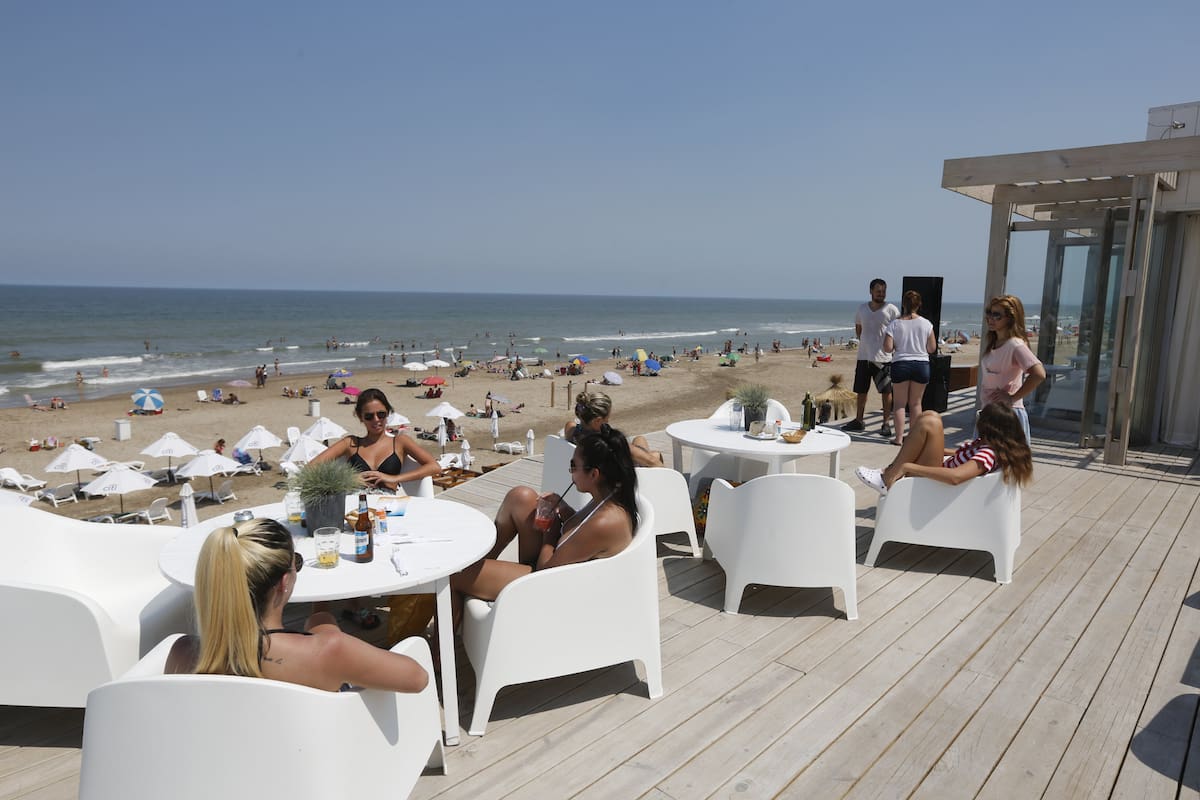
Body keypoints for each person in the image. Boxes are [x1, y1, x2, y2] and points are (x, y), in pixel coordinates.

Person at [164, 518, 427, 693]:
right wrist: (327, 633)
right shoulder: (329, 651)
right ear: (284, 582)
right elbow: (417, 679)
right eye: (296, 562)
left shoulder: (181, 654)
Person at [450, 426, 639, 615]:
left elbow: (545, 574)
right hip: (557, 572)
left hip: (549, 589)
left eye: (573, 466)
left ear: (594, 474)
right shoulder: (607, 499)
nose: (570, 472)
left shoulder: (605, 522)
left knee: (455, 574)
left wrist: (551, 533)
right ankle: (480, 565)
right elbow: (582, 535)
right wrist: (564, 510)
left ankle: (442, 640)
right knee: (520, 497)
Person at [855, 402, 1033, 495]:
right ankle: (888, 472)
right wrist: (929, 448)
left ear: (989, 426)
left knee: (931, 423)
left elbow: (956, 477)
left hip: (937, 487)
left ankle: (887, 477)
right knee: (931, 416)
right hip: (937, 476)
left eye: (980, 415)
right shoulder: (986, 445)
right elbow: (963, 456)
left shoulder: (987, 453)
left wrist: (908, 467)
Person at [310, 388, 440, 494]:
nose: (376, 419)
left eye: (381, 414)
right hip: (356, 505)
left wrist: (394, 478)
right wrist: (348, 478)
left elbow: (434, 467)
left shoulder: (400, 441)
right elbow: (310, 468)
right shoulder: (351, 443)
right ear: (361, 417)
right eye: (369, 416)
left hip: (387, 506)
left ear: (388, 413)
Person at [981, 294, 1045, 444]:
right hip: (990, 412)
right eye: (989, 313)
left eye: (996, 315)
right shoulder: (995, 343)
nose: (990, 318)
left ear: (1010, 318)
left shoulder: (1015, 345)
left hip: (1006, 415)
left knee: (1005, 463)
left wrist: (1012, 397)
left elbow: (1039, 374)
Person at [846, 278, 899, 437]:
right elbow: (858, 328)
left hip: (883, 358)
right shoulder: (862, 309)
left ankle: (885, 423)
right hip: (863, 356)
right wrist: (867, 343)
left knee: (886, 391)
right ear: (871, 291)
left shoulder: (891, 310)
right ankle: (859, 420)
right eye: (878, 291)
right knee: (861, 391)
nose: (881, 294)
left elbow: (898, 331)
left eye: (883, 291)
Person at [883, 289, 936, 445]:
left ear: (904, 305)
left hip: (901, 363)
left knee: (899, 404)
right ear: (919, 305)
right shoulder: (926, 324)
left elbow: (887, 348)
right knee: (916, 403)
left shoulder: (895, 324)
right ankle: (914, 439)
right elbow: (932, 348)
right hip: (921, 364)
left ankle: (899, 438)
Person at [564, 390, 663, 467]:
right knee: (655, 455)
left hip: (592, 464)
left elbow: (574, 425)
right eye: (607, 416)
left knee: (639, 439)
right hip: (624, 472)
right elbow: (652, 461)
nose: (608, 419)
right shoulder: (608, 442)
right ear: (598, 421)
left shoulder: (571, 429)